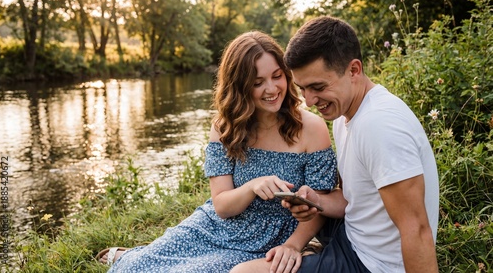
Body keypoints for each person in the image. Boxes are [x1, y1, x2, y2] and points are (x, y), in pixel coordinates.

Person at [95, 31, 338, 272]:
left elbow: (320, 206)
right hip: (217, 225)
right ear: (240, 86)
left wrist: (293, 246)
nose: (272, 88)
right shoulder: (224, 127)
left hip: (274, 239)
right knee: (138, 266)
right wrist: (253, 186)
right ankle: (136, 255)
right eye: (257, 83)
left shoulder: (311, 128)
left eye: (277, 76)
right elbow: (221, 206)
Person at [231, 16, 440, 273]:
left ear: (353, 70)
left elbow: (416, 229)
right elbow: (353, 200)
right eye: (303, 88)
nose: (308, 101)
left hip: (372, 263)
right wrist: (316, 199)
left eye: (317, 86)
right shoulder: (346, 114)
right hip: (351, 235)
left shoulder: (380, 126)